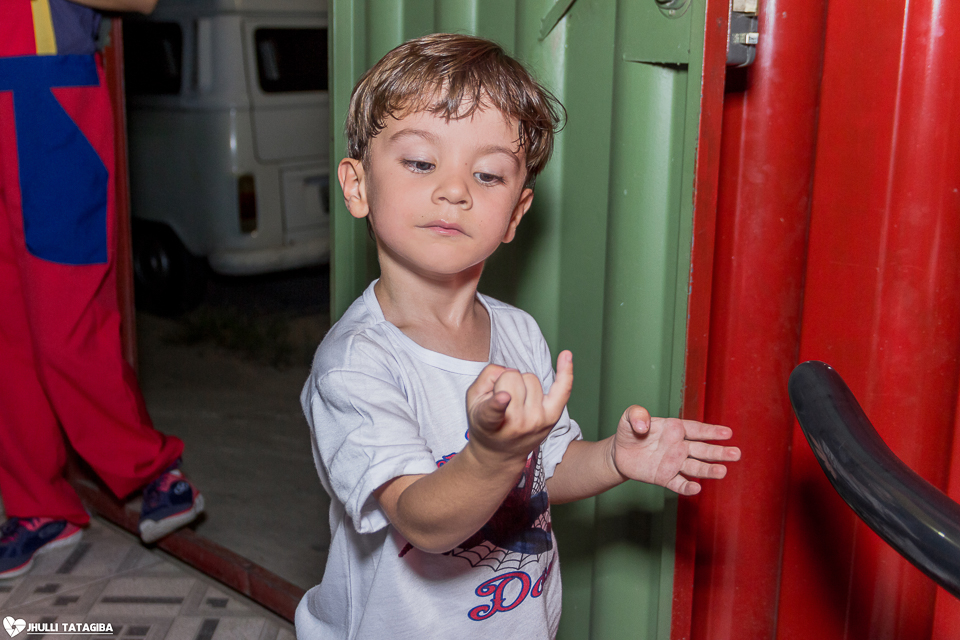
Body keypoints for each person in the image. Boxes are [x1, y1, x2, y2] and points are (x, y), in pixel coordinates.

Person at [297, 33, 741, 639]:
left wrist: (614, 457)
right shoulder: (355, 365)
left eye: (486, 174)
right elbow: (421, 520)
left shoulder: (516, 331)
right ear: (356, 186)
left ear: (515, 214)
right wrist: (493, 455)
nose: (454, 190)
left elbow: (546, 471)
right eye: (421, 163)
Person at [0, 0, 203, 580]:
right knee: (6, 333)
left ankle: (153, 471)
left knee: (67, 321)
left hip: (49, 99)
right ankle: (39, 507)